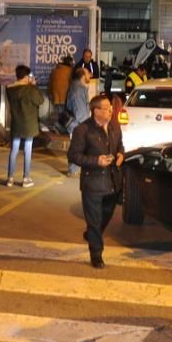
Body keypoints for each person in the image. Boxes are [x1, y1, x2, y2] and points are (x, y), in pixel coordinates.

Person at [68, 94, 124, 269]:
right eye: (107, 108)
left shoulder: (115, 126)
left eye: (110, 108)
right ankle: (96, 254)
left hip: (113, 181)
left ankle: (93, 234)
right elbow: (73, 155)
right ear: (96, 111)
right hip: (92, 183)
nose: (111, 110)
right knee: (94, 220)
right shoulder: (82, 130)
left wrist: (121, 154)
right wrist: (96, 161)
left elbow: (120, 145)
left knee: (105, 216)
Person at [5, 65, 42, 188]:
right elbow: (40, 100)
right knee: (27, 150)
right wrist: (34, 86)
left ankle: (10, 178)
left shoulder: (10, 89)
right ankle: (26, 178)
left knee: (14, 150)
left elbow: (15, 87)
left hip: (16, 123)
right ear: (26, 77)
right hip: (29, 124)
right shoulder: (30, 90)